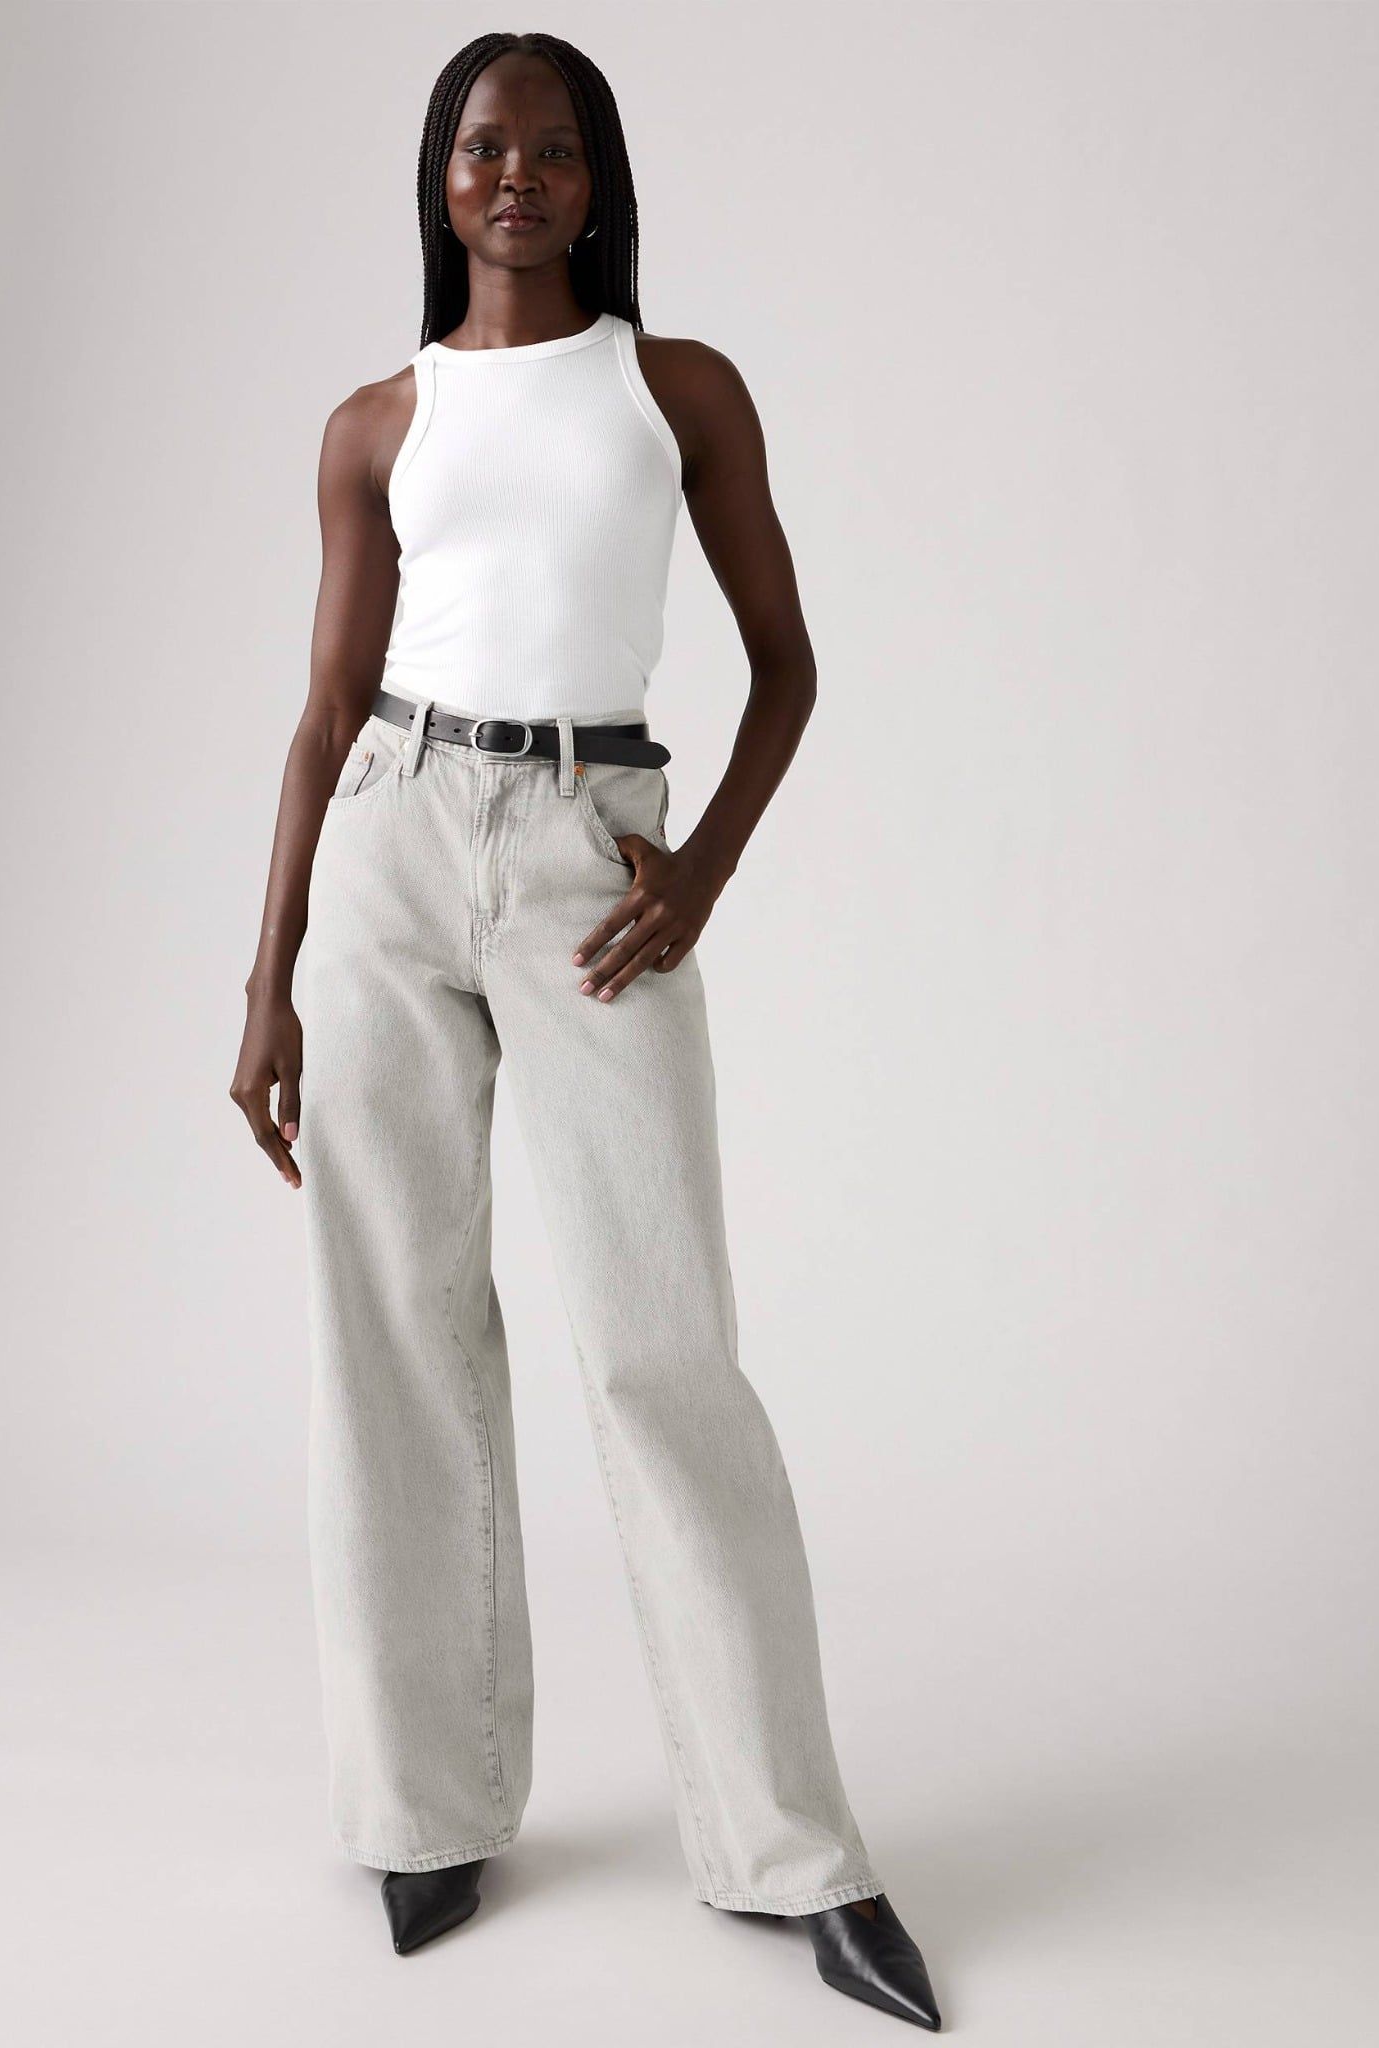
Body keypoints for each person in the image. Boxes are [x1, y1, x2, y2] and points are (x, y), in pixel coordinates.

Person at [229, 30, 941, 2031]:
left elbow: (787, 665)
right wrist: (269, 974)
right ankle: (424, 1806)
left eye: (552, 146)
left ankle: (791, 1846)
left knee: (659, 1343)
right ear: (439, 176)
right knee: (391, 1329)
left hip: (586, 846)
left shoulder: (672, 388)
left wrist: (694, 868)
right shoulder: (377, 422)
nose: (516, 174)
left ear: (600, 177)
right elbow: (322, 713)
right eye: (482, 145)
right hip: (391, 837)